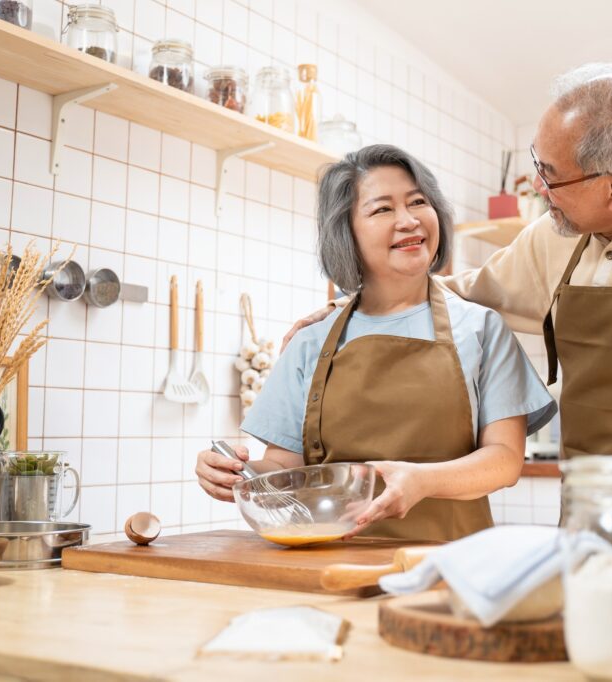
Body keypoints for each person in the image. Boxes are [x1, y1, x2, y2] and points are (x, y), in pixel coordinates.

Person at [285, 63, 612, 460]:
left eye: (550, 175)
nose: (539, 188)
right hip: (586, 494)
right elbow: (464, 290)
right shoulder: (559, 233)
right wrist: (347, 306)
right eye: (537, 162)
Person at [196, 144, 556, 541]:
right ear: (345, 232)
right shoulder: (310, 342)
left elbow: (504, 461)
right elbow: (283, 466)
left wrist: (423, 481)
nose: (408, 220)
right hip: (329, 563)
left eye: (418, 202)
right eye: (382, 209)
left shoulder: (482, 328)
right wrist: (235, 473)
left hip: (449, 565)